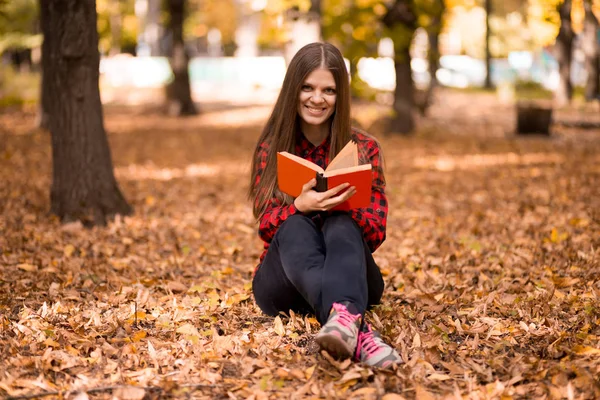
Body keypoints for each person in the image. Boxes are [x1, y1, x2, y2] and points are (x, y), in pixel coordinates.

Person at [248, 42, 402, 369]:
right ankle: (357, 328)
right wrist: (300, 206)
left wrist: (336, 205)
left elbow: (375, 232)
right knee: (294, 225)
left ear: (339, 95)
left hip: (350, 270)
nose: (317, 98)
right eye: (307, 87)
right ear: (294, 89)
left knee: (342, 223)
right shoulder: (271, 148)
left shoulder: (364, 148)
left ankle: (343, 319)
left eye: (328, 90)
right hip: (282, 284)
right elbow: (265, 226)